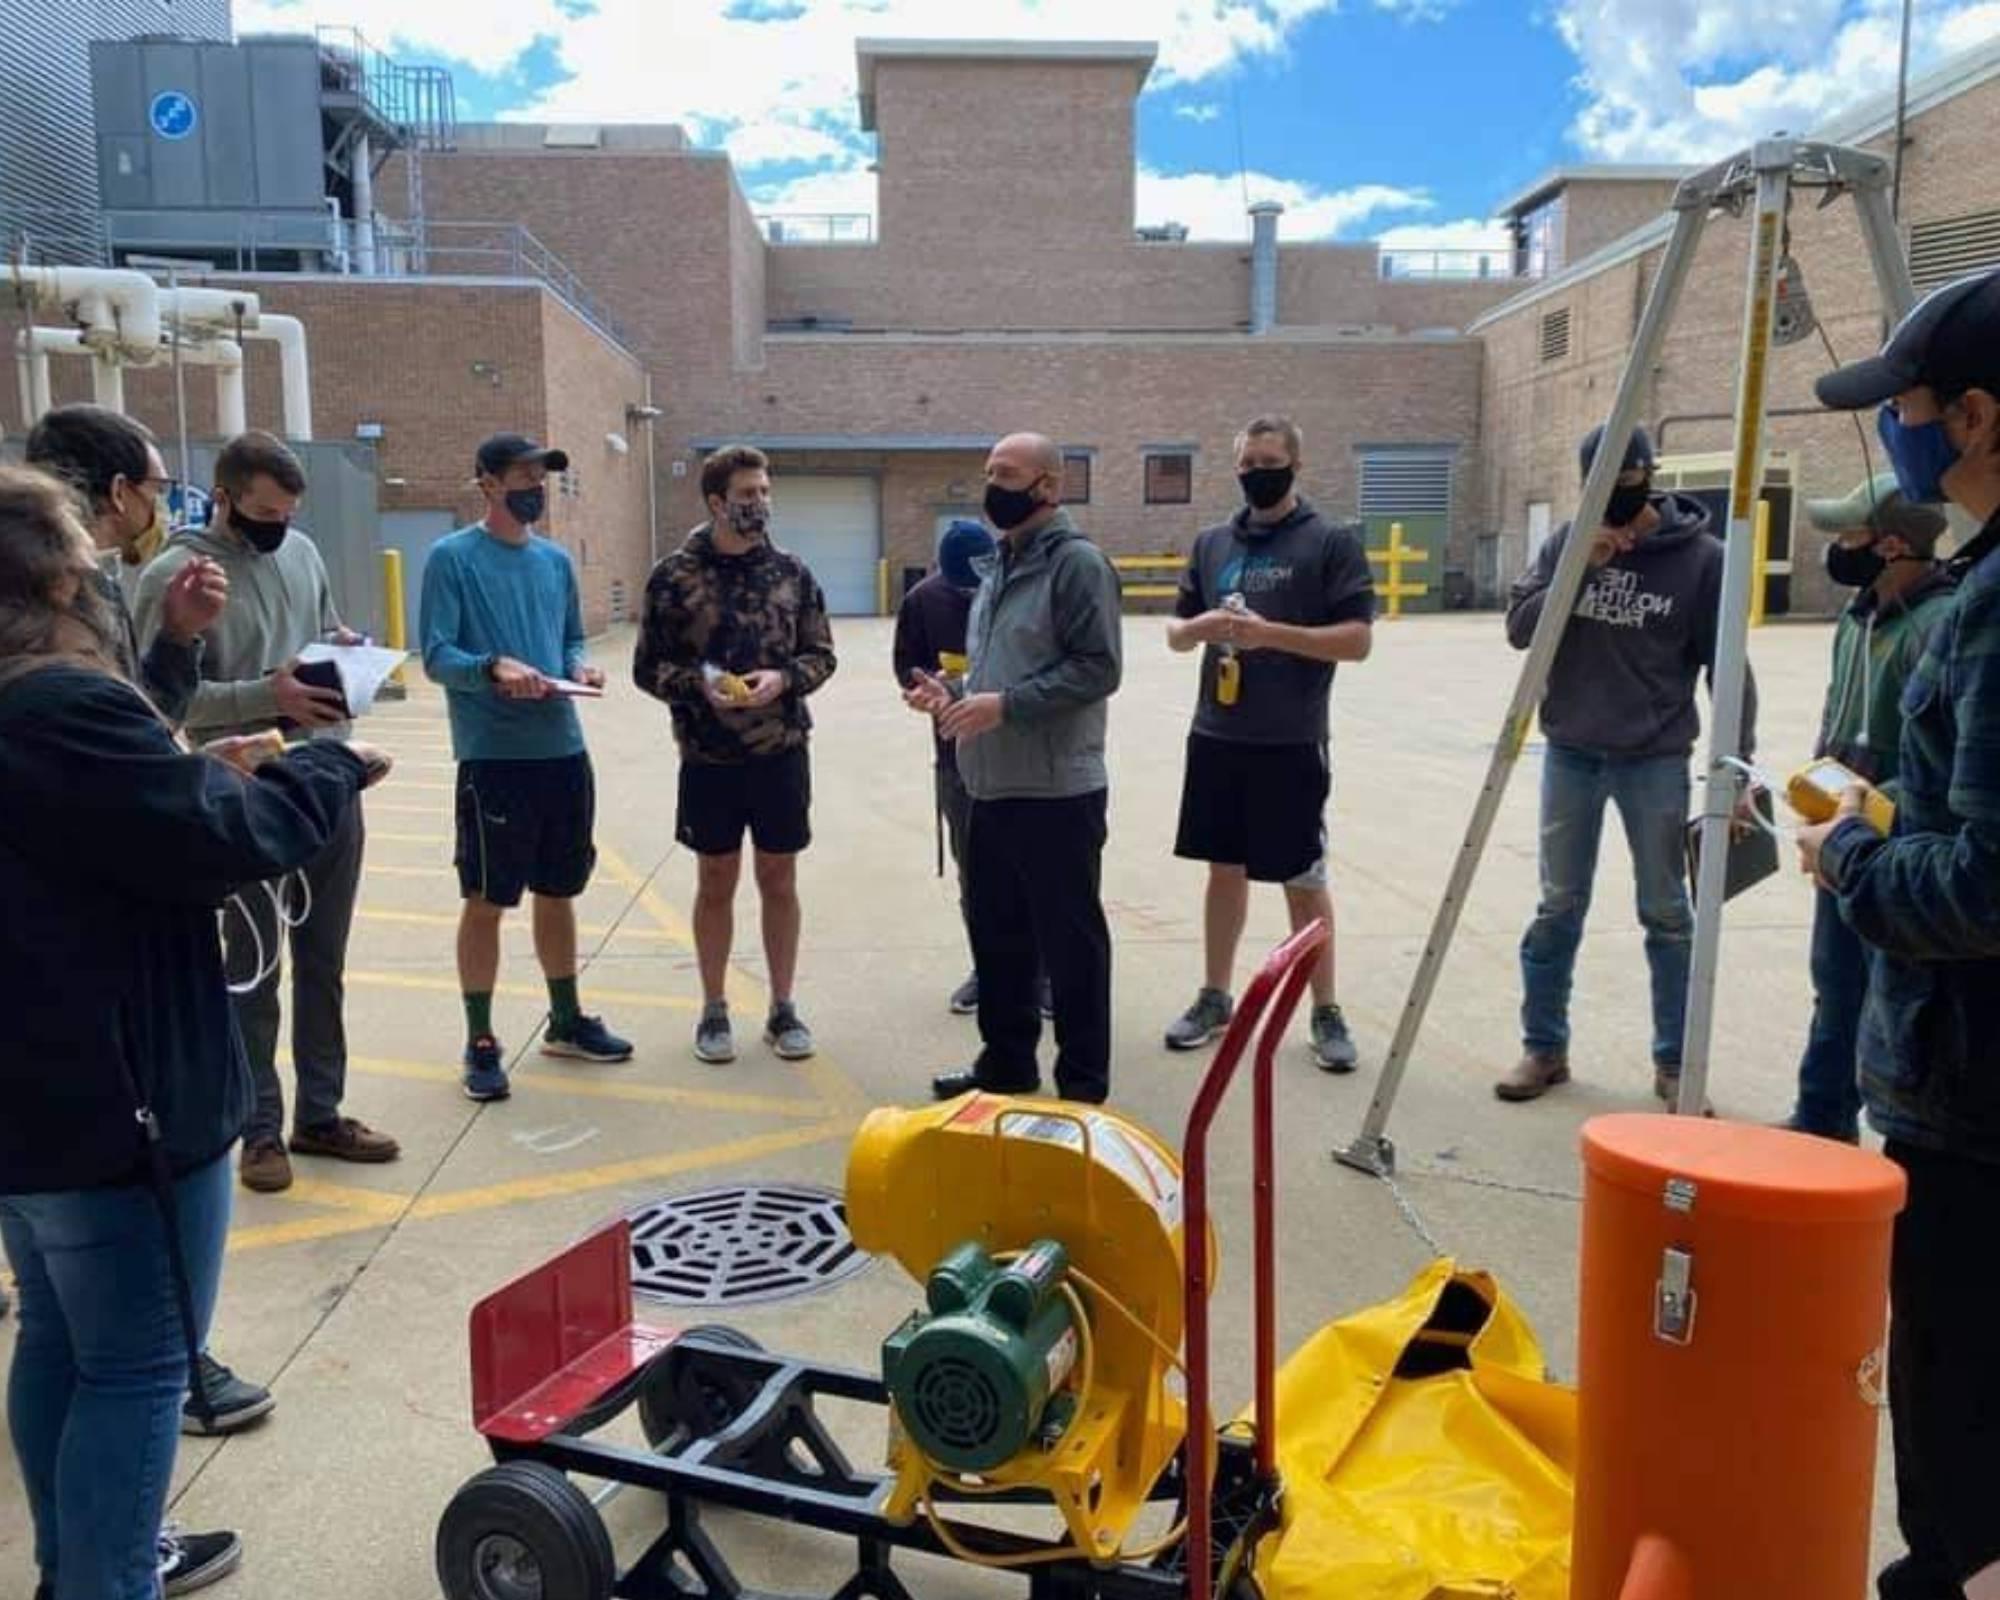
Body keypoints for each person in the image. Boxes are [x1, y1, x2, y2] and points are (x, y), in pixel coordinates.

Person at [0, 463, 389, 1600]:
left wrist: (178, 775)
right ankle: (105, 1580)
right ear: (63, 578)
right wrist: (325, 764)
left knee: (65, 1347)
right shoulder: (60, 703)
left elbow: (116, 819)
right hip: (115, 1106)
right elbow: (232, 836)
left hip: (32, 1105)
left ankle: (73, 1568)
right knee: (137, 1367)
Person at [1798, 264, 2000, 1600]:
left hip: (1975, 1099)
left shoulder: (1989, 611)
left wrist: (1851, 852)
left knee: (1962, 1451)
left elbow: (1985, 887)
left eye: (1908, 407)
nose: (1899, 433)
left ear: (1975, 419)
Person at [25, 406, 276, 1439]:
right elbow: (143, 788)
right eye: (151, 487)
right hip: (106, 1053)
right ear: (110, 499)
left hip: (39, 1046)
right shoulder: (59, 653)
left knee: (56, 1331)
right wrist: (313, 782)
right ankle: (124, 1554)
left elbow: (135, 751)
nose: (155, 509)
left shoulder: (67, 643)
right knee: (130, 1366)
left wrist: (173, 649)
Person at [135, 431, 399, 1193]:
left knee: (325, 960)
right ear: (222, 498)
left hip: (322, 775)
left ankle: (320, 1114)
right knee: (252, 968)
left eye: (287, 511)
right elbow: (163, 702)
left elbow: (312, 634)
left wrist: (343, 651)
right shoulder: (175, 578)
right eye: (263, 512)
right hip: (240, 789)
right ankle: (258, 1130)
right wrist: (266, 696)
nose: (277, 525)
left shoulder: (303, 553)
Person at [1497, 423, 1758, 1106]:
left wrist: (1739, 766)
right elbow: (1521, 629)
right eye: (1600, 484)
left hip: (1654, 759)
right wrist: (1579, 564)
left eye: (1627, 481)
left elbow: (1730, 669)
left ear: (1649, 475)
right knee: (1558, 905)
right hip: (1573, 754)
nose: (1615, 495)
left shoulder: (1702, 560)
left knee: (1668, 913)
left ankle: (1676, 1063)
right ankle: (1544, 1048)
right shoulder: (1565, 542)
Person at [909, 432, 1123, 1105]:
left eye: (1008, 473)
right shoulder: (998, 563)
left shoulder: (1078, 565)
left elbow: (1099, 667)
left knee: (1070, 944)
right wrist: (955, 695)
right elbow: (1004, 666)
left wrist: (1007, 705)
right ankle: (1006, 1065)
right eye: (989, 472)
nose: (992, 484)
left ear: (1050, 487)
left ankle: (1082, 1087)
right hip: (987, 782)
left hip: (1056, 789)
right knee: (998, 934)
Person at [420, 433, 630, 1102]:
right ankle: (480, 1038)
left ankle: (565, 1018)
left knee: (558, 890)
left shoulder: (554, 562)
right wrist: (492, 668)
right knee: (486, 900)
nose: (534, 487)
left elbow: (569, 636)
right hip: (495, 757)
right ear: (486, 483)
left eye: (541, 476)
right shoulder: (452, 559)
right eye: (521, 475)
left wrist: (578, 667)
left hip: (562, 750)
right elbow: (436, 655)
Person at [1162, 416, 1375, 1071]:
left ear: (1296, 465)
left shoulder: (1330, 541)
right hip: (1218, 734)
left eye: (1268, 460)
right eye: (1247, 461)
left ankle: (1325, 1009)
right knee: (1222, 869)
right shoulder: (1212, 542)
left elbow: (1358, 640)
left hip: (1291, 739)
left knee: (1301, 878)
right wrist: (1199, 627)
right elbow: (1175, 631)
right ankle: (1214, 995)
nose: (1257, 471)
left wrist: (1272, 635)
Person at [634, 444, 837, 1065]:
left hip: (780, 751)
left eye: (766, 492)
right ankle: (714, 1007)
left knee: (779, 876)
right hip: (708, 756)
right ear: (717, 502)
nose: (760, 504)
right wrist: (699, 685)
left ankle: (782, 1006)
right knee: (715, 879)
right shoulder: (673, 576)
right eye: (748, 495)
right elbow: (648, 668)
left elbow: (821, 654)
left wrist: (786, 680)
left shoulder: (793, 573)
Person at [1783, 474, 1951, 1143]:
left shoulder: (1937, 627)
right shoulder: (1857, 619)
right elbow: (1834, 714)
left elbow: (1938, 763)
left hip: (1897, 842)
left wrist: (1879, 813)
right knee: (1834, 980)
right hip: (1842, 831)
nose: (1837, 549)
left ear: (1889, 544)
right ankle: (1821, 1118)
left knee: (1894, 991)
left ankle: (1897, 1132)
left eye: (1848, 536)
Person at [894, 518, 1049, 1018]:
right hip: (958, 758)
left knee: (1032, 871)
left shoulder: (1020, 592)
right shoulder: (922, 600)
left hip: (1021, 755)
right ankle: (989, 970)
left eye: (976, 586)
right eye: (959, 588)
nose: (969, 596)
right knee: (976, 874)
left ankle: (1042, 973)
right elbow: (907, 669)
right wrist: (929, 688)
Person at [24, 403, 227, 726]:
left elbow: (137, 717)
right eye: (157, 490)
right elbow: (122, 735)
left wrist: (177, 635)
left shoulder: (64, 579)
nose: (160, 509)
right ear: (119, 491)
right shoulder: (75, 595)